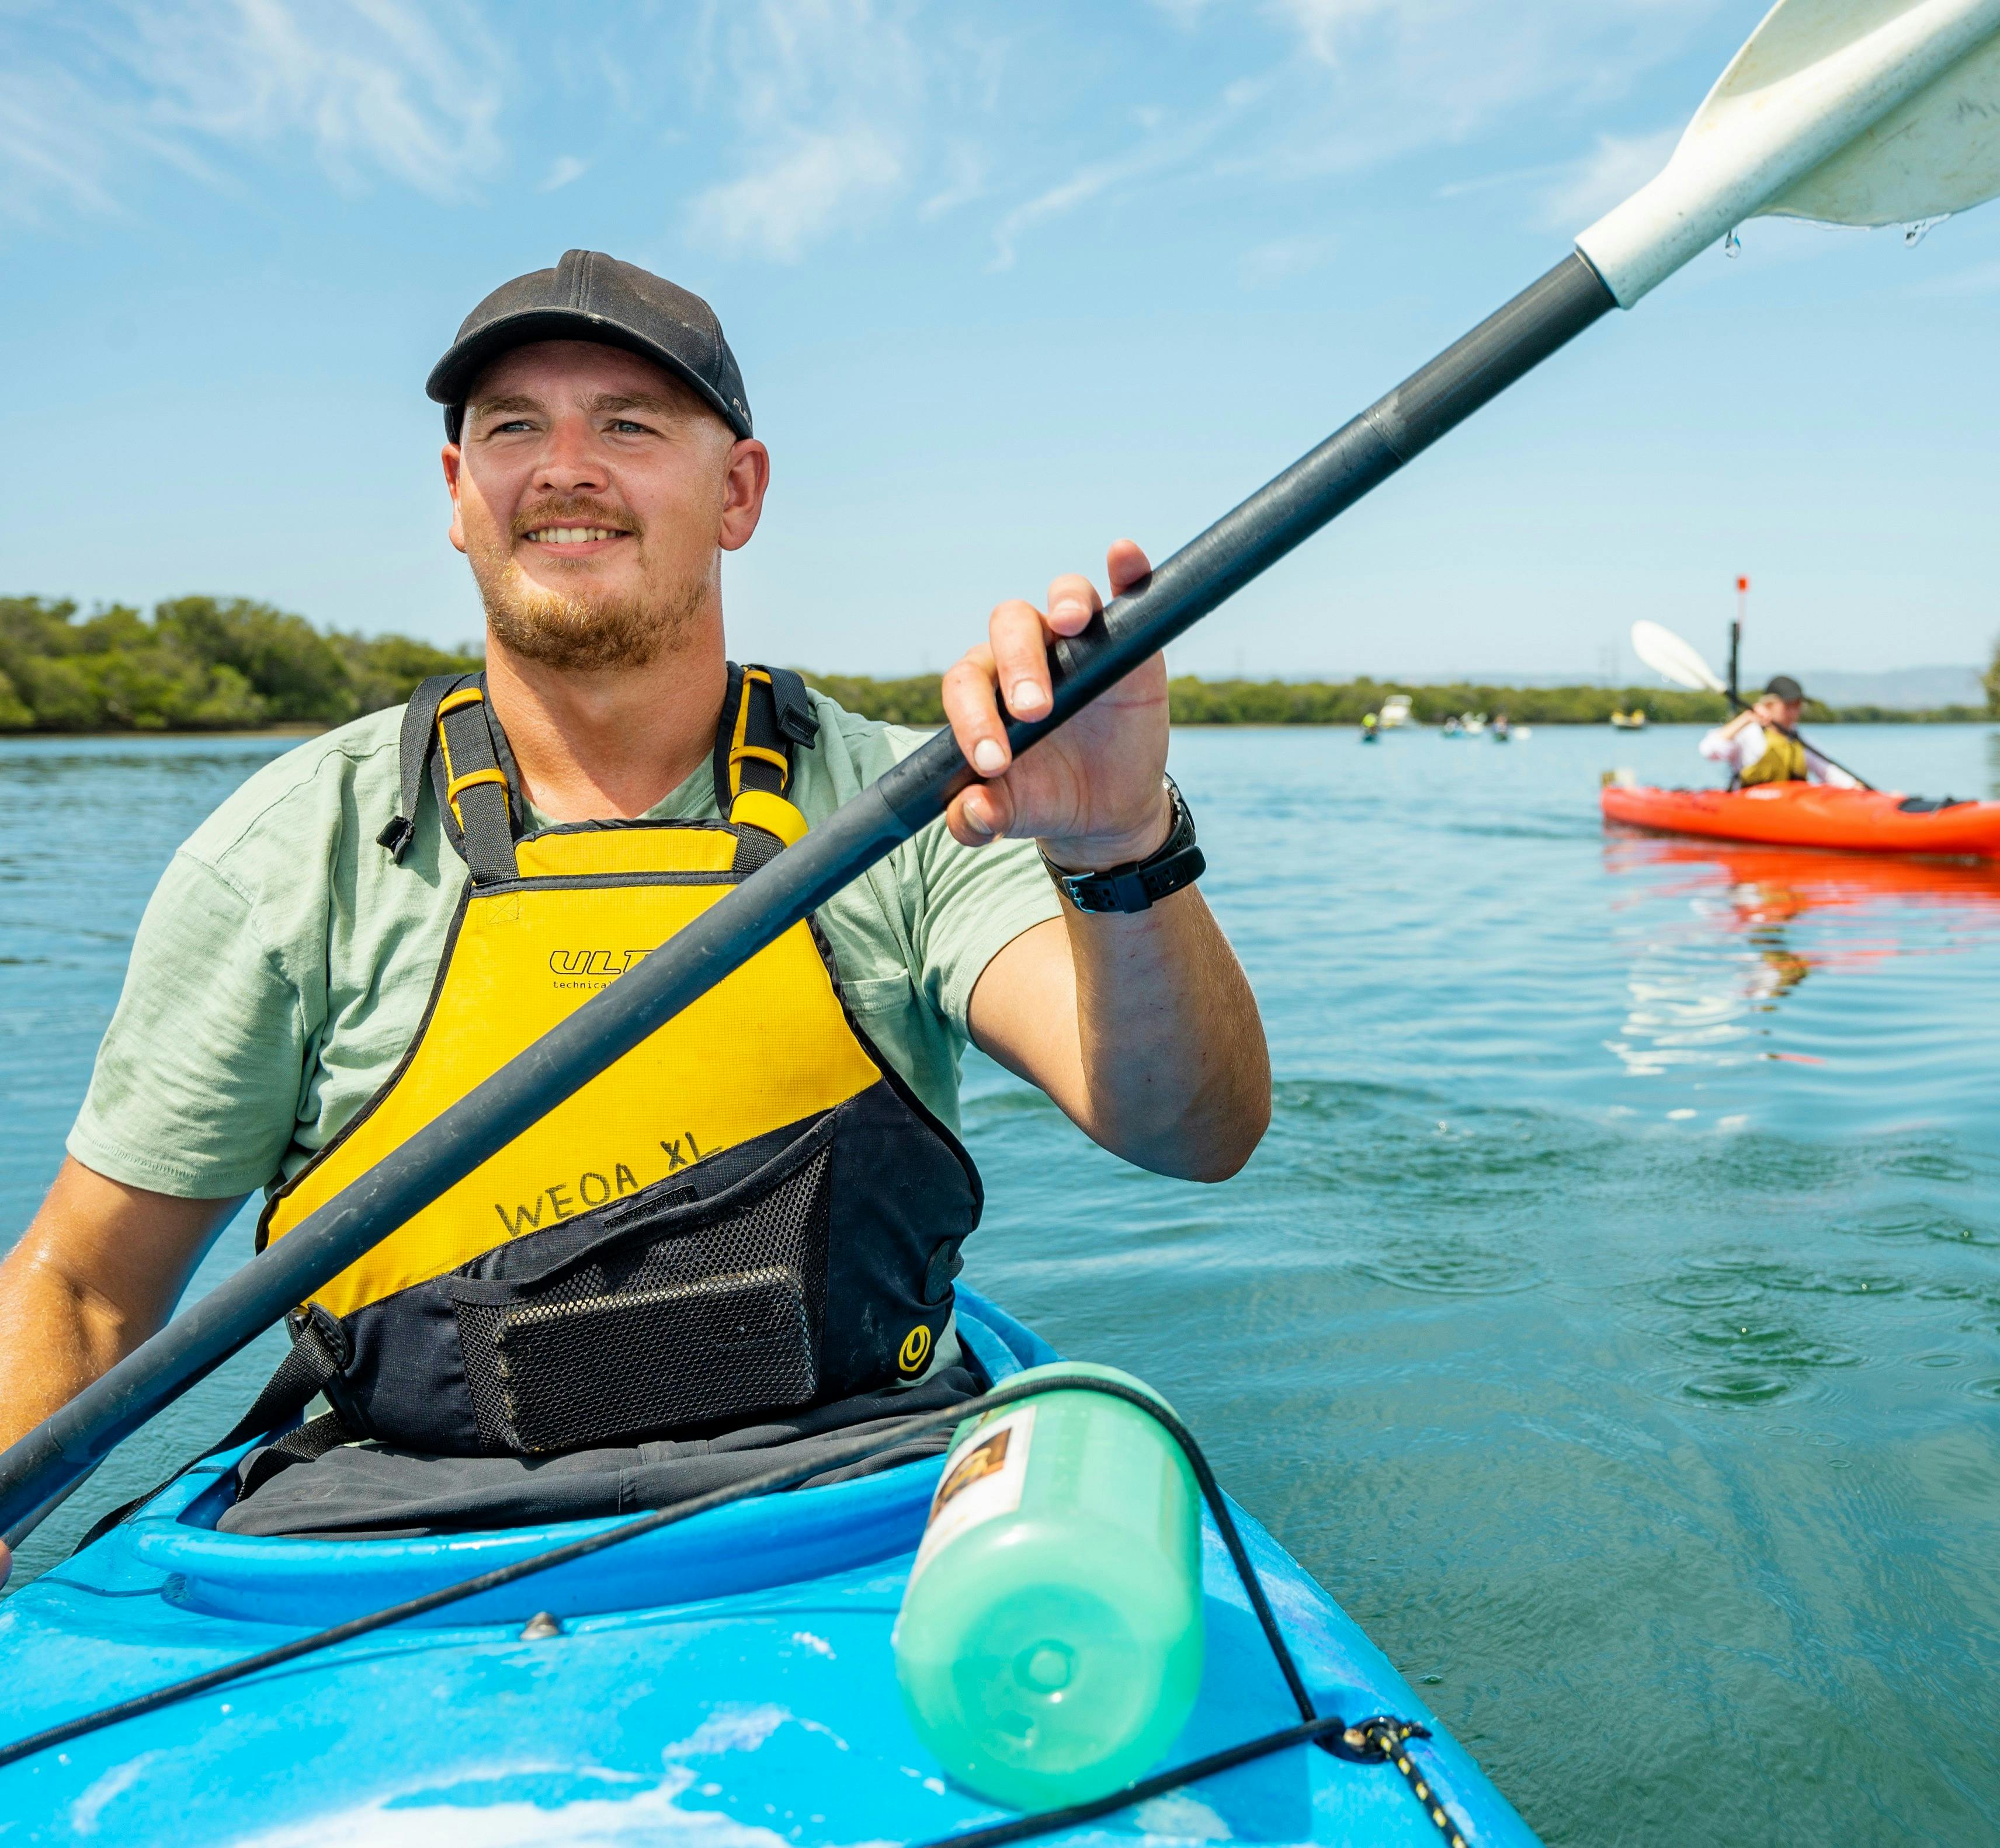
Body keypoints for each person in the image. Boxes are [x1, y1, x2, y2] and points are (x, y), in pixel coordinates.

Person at [0, 252, 1270, 1567]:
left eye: (627, 423)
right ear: (458, 494)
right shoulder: (286, 854)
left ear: (738, 491)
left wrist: (1120, 845)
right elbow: (87, 1293)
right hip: (400, 1541)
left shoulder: (920, 803)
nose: (564, 467)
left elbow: (1192, 1131)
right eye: (513, 427)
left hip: (864, 1508)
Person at [1699, 675, 1856, 787]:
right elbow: (1710, 751)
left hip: (1788, 809)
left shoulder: (1800, 739)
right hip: (1751, 808)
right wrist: (1746, 718)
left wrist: (1856, 787)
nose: (1794, 712)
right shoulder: (1750, 733)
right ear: (1769, 705)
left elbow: (1829, 772)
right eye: (1788, 706)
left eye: (1797, 706)